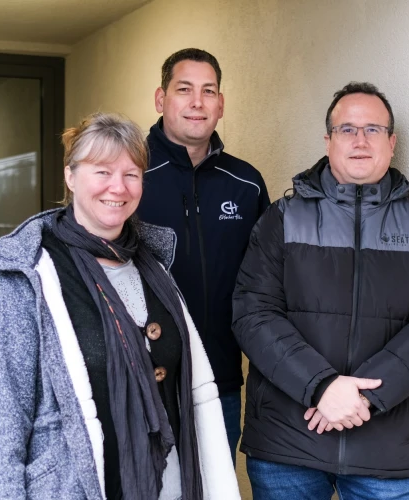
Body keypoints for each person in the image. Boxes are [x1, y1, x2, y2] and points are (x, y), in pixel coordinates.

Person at [0, 113, 240, 500]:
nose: (119, 187)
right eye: (102, 171)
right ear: (70, 176)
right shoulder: (27, 277)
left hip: (172, 486)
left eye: (131, 174)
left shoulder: (153, 266)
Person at [232, 82, 409, 499]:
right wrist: (321, 386)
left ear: (392, 143)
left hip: (383, 446)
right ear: (328, 140)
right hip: (289, 445)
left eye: (373, 129)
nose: (360, 140)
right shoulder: (281, 220)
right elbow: (254, 313)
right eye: (347, 129)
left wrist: (364, 398)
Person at [136, 48, 270, 464]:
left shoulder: (245, 183)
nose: (197, 102)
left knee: (215, 486)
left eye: (208, 91)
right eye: (184, 89)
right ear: (161, 99)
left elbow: (269, 279)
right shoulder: (129, 175)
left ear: (221, 104)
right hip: (143, 380)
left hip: (220, 381)